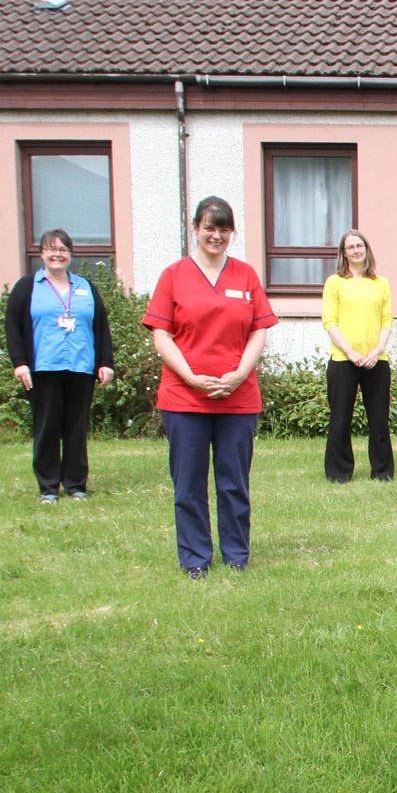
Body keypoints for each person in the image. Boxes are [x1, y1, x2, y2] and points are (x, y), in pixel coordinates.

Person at [143, 196, 276, 577]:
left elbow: (258, 331)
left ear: (231, 232)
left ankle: (236, 555)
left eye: (223, 228)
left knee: (234, 483)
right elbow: (161, 335)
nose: (216, 235)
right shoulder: (173, 275)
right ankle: (195, 559)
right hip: (185, 398)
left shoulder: (245, 276)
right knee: (188, 485)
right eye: (209, 227)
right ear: (196, 229)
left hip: (237, 398)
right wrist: (191, 377)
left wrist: (237, 374)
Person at [4, 228, 114, 503]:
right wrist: (20, 363)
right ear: (42, 254)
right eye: (51, 249)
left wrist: (105, 362)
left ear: (70, 254)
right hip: (44, 368)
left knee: (76, 427)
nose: (57, 254)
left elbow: (101, 326)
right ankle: (49, 487)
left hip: (80, 367)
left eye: (63, 249)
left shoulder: (85, 287)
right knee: (47, 426)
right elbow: (12, 326)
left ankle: (76, 485)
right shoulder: (28, 287)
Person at [322, 229, 394, 482]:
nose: (356, 250)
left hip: (376, 361)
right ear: (344, 253)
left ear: (366, 249)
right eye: (350, 246)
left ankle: (382, 472)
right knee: (340, 419)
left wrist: (376, 351)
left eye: (359, 245)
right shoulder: (335, 283)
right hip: (343, 361)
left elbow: (387, 321)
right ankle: (339, 473)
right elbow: (329, 321)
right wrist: (351, 352)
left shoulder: (380, 283)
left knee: (379, 420)